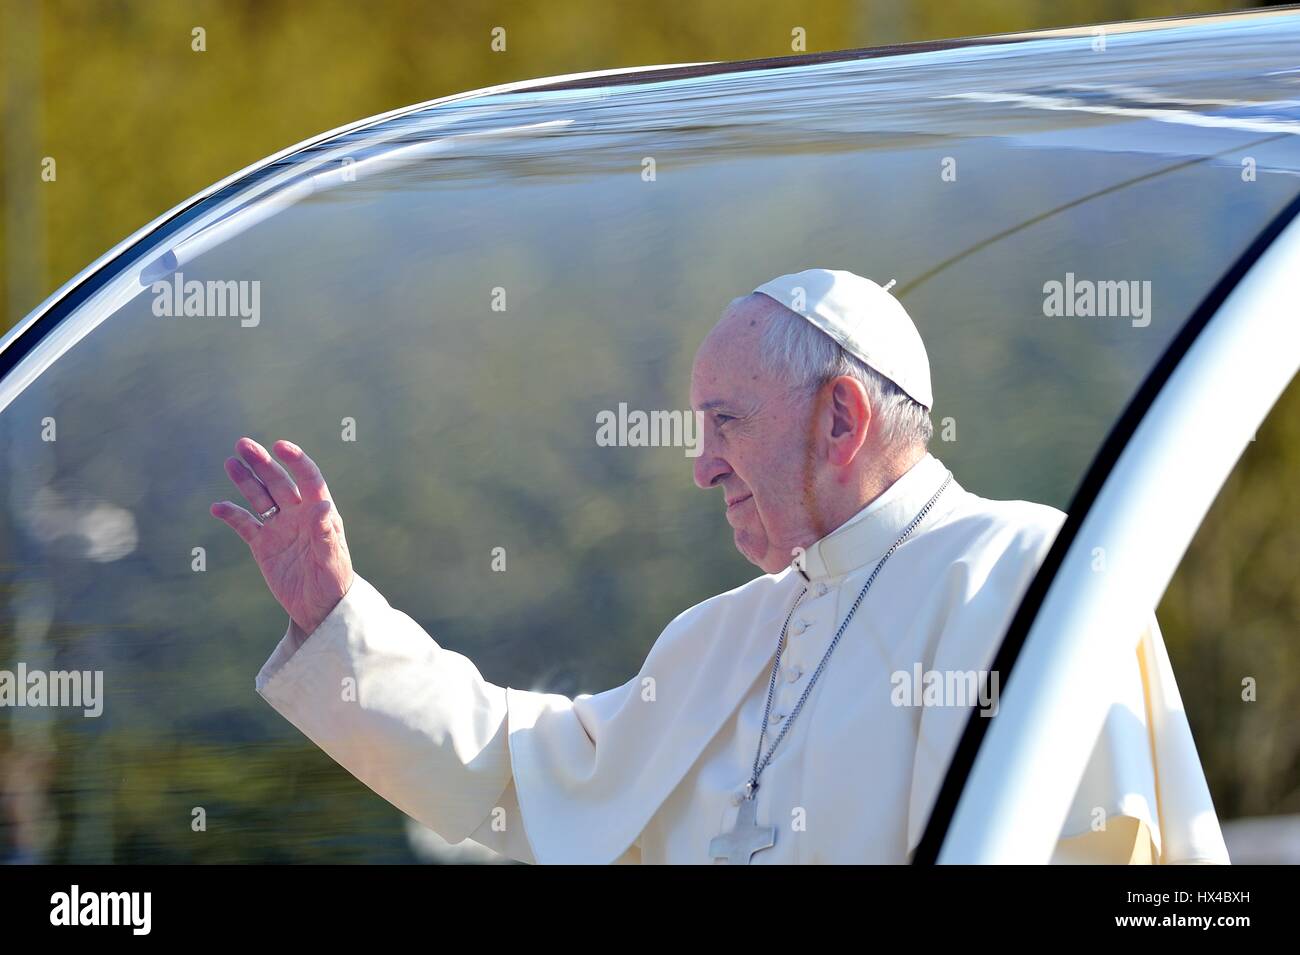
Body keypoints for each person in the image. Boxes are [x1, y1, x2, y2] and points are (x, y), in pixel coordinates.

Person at [211, 268, 1229, 864]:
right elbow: (514, 770)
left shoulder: (1022, 568)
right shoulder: (723, 633)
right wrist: (337, 619)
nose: (700, 465)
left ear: (840, 416)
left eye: (725, 423)